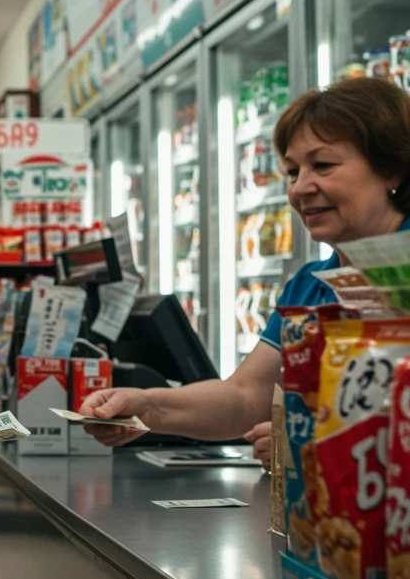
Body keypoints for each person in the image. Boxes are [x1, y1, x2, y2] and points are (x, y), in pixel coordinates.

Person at [80, 77, 410, 460]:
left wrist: (317, 444)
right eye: (291, 171)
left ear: (392, 170)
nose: (300, 188)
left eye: (323, 165)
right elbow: (246, 395)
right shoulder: (309, 285)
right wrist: (146, 406)